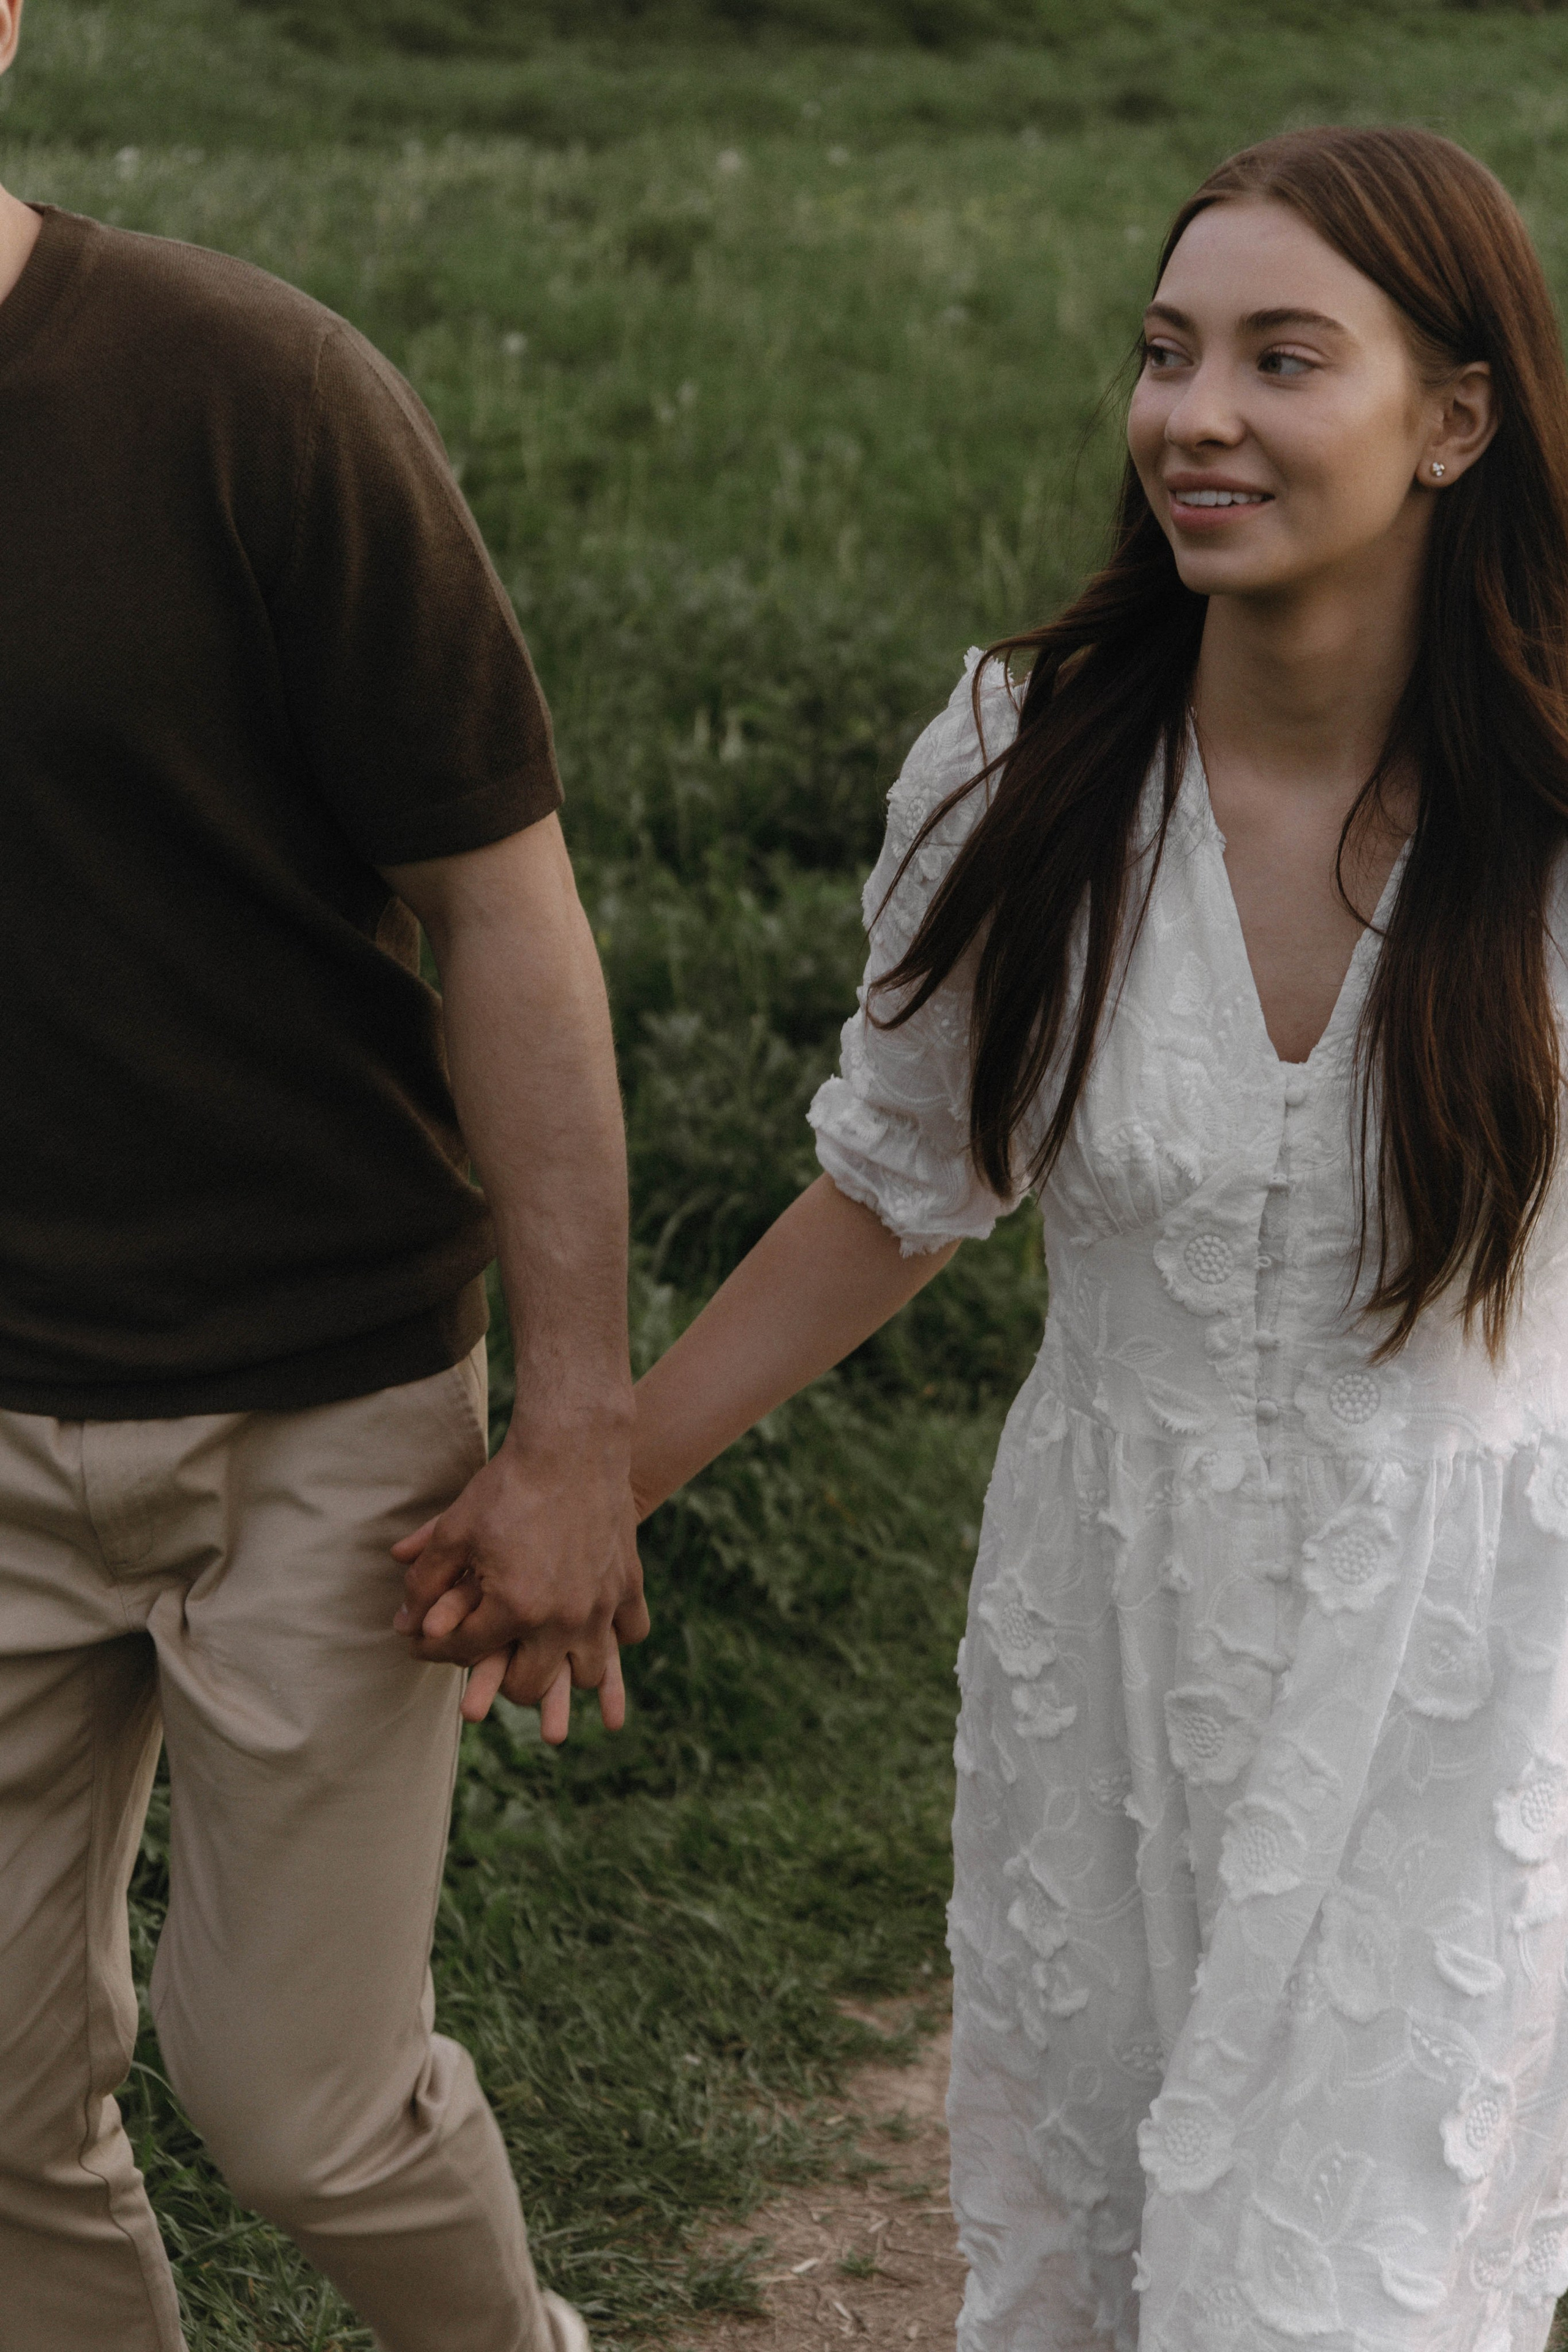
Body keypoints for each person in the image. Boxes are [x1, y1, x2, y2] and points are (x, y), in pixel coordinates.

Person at [532, 123, 1568, 2350]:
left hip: (1465, 1668)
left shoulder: (1553, 806)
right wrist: (598, 1484)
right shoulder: (1028, 761)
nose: (1195, 416)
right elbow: (900, 1184)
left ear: (1456, 419)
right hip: (1105, 1634)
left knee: (1330, 2304)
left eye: (1283, 358)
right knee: (1101, 2276)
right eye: (1167, 353)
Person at [0, 2, 647, 2346]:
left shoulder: (248, 391)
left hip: (324, 1411)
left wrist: (576, 1432)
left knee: (301, 2108)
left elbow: (506, 910)